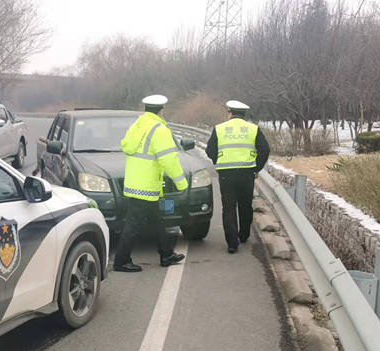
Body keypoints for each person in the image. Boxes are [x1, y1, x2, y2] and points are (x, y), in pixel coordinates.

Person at [114, 95, 188, 272]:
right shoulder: (159, 130)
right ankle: (121, 261)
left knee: (158, 219)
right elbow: (169, 160)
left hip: (136, 183)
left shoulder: (137, 126)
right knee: (133, 224)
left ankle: (166, 254)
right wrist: (182, 184)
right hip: (146, 186)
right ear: (162, 110)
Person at [205, 100, 270, 253]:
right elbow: (265, 150)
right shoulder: (253, 129)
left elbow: (210, 150)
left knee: (228, 207)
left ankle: (232, 243)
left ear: (230, 113)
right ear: (243, 114)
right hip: (247, 173)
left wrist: (218, 161)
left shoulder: (219, 128)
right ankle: (244, 235)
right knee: (245, 205)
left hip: (226, 174)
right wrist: (256, 168)